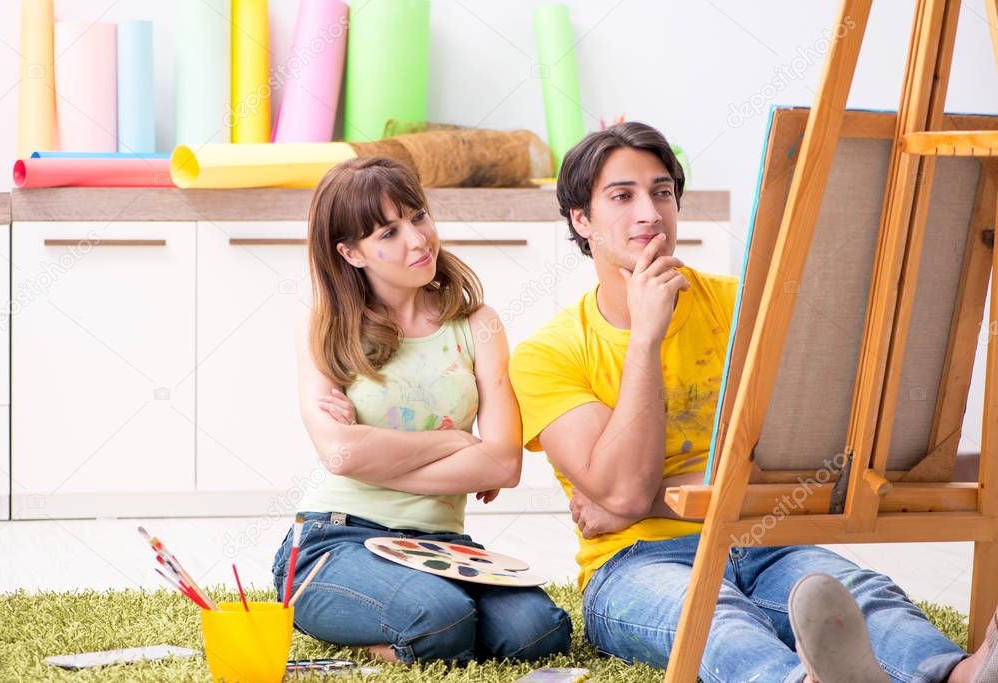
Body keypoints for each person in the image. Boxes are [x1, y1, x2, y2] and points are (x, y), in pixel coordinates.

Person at [507, 121, 998, 682]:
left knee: (859, 596)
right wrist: (646, 336)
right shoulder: (546, 354)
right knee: (718, 621)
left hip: (764, 536)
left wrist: (640, 501)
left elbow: (803, 458)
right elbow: (624, 485)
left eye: (662, 191)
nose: (649, 212)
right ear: (581, 220)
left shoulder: (745, 307)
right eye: (622, 196)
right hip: (635, 562)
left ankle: (964, 675)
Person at [273, 156, 571, 665]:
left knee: (538, 634)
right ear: (350, 253)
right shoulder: (324, 327)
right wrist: (457, 442)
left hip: (441, 543)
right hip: (337, 537)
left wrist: (378, 457)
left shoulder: (479, 325)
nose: (417, 240)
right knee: (441, 616)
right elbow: (341, 456)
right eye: (388, 232)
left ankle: (425, 636)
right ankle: (405, 628)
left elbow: (503, 465)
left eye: (418, 217)